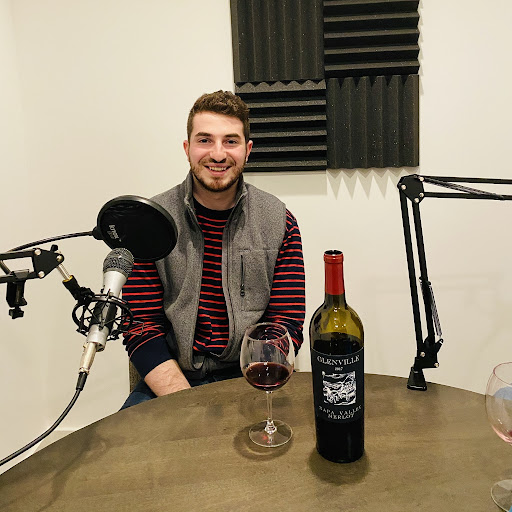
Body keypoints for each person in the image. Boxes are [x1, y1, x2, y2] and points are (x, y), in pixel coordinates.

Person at [121, 90, 305, 409]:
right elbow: (141, 326)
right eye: (205, 140)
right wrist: (189, 404)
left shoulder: (279, 221)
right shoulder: (150, 223)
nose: (218, 154)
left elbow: (285, 320)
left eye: (230, 141)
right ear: (187, 149)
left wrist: (251, 387)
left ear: (247, 150)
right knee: (127, 442)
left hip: (249, 376)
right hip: (173, 380)